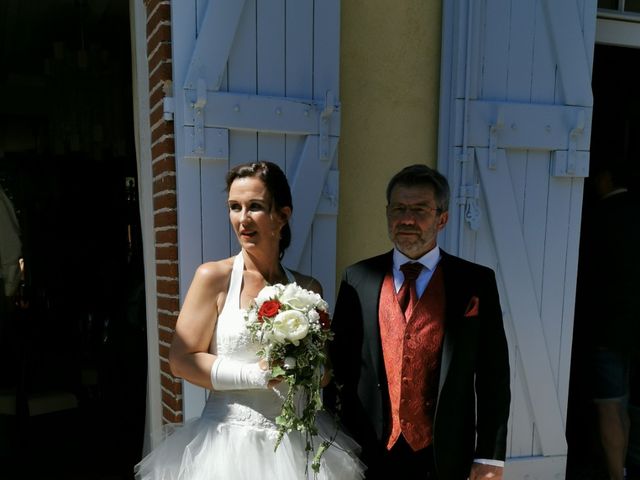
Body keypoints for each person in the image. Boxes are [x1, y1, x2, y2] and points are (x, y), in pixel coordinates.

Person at [135, 161, 364, 480]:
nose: (242, 219)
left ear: (282, 215)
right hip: (228, 447)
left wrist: (309, 368)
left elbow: (323, 373)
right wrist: (253, 375)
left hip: (297, 445)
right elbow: (180, 360)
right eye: (234, 207)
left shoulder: (308, 289)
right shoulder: (213, 277)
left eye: (254, 207)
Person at [327, 164, 510, 480]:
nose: (407, 219)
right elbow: (340, 369)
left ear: (442, 218)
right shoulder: (357, 278)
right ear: (387, 214)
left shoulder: (476, 281)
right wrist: (332, 439)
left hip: (445, 453)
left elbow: (493, 375)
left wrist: (490, 457)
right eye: (399, 209)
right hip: (369, 450)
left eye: (420, 210)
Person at [578, 162, 640, 480]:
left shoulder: (601, 218)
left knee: (608, 406)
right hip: (632, 328)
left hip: (605, 326)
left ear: (606, 177)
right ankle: (623, 469)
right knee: (622, 403)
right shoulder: (637, 213)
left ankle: (617, 475)